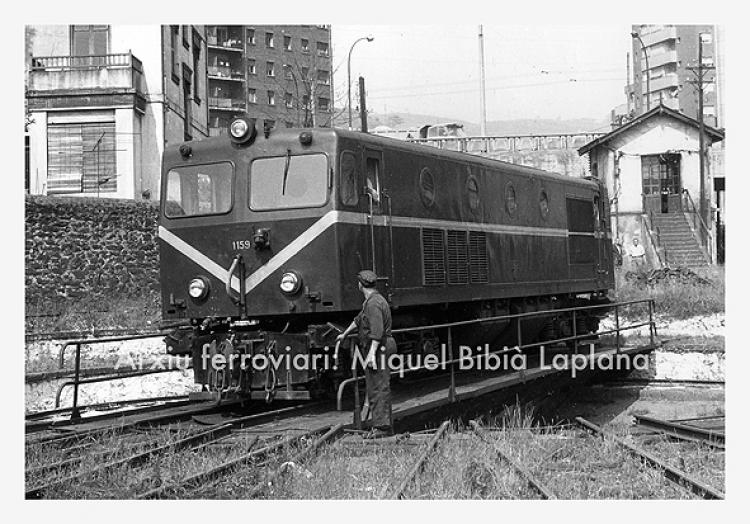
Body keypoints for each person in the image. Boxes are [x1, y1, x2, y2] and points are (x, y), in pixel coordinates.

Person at [336, 270, 396, 438]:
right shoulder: (371, 302)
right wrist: (345, 333)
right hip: (380, 346)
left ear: (360, 285)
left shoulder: (373, 304)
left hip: (380, 347)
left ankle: (382, 428)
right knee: (376, 385)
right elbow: (358, 320)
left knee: (379, 387)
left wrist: (371, 354)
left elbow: (377, 331)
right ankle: (383, 425)